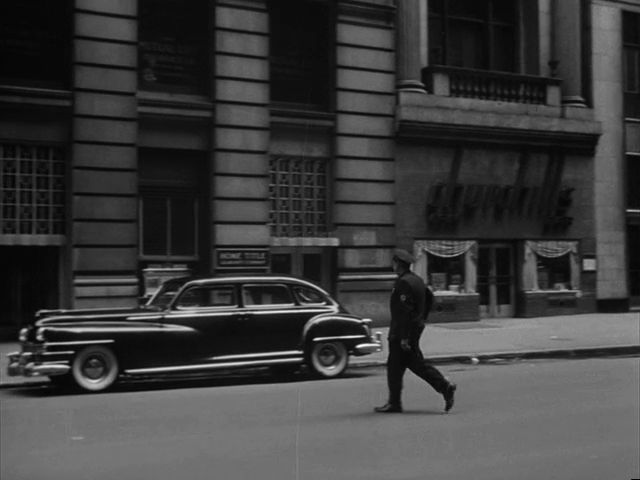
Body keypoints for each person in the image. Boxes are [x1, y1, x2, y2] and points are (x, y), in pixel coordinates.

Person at [375, 249, 457, 413]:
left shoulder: (404, 283)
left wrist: (405, 337)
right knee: (406, 366)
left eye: (394, 262)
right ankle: (395, 402)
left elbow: (405, 312)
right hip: (412, 330)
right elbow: (430, 299)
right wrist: (422, 318)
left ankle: (443, 387)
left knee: (406, 366)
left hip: (402, 334)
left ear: (398, 264)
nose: (393, 265)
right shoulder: (417, 280)